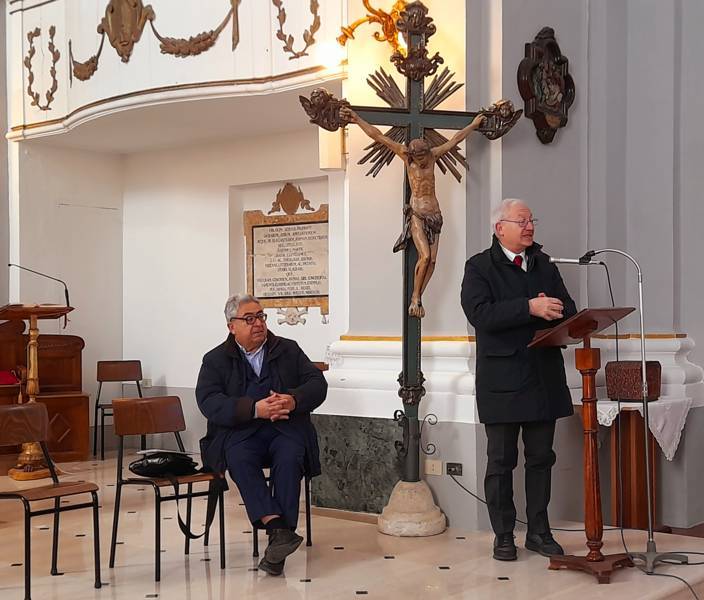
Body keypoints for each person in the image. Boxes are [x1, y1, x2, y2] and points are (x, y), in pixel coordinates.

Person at [460, 198, 577, 561]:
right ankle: (504, 535)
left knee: (542, 459)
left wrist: (554, 310)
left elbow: (570, 310)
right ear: (500, 229)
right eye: (522, 221)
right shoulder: (479, 266)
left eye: (531, 221)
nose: (530, 227)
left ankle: (540, 532)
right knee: (501, 461)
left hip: (543, 377)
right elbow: (479, 314)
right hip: (503, 380)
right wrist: (530, 307)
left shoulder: (544, 263)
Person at [196, 294, 327, 576]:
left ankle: (278, 543)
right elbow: (208, 401)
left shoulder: (288, 349)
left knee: (291, 457)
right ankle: (278, 528)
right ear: (232, 326)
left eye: (261, 316)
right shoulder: (215, 359)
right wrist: (254, 409)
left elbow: (317, 383)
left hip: (284, 428)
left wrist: (293, 400)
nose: (258, 323)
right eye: (249, 319)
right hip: (241, 432)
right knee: (239, 459)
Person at [339, 105, 484, 318]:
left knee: (432, 262)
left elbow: (455, 140)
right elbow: (378, 136)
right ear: (413, 154)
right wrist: (357, 119)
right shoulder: (405, 156)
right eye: (420, 157)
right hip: (417, 214)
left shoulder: (433, 155)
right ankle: (415, 297)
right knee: (424, 257)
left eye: (425, 156)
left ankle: (418, 298)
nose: (423, 160)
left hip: (435, 215)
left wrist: (473, 125)